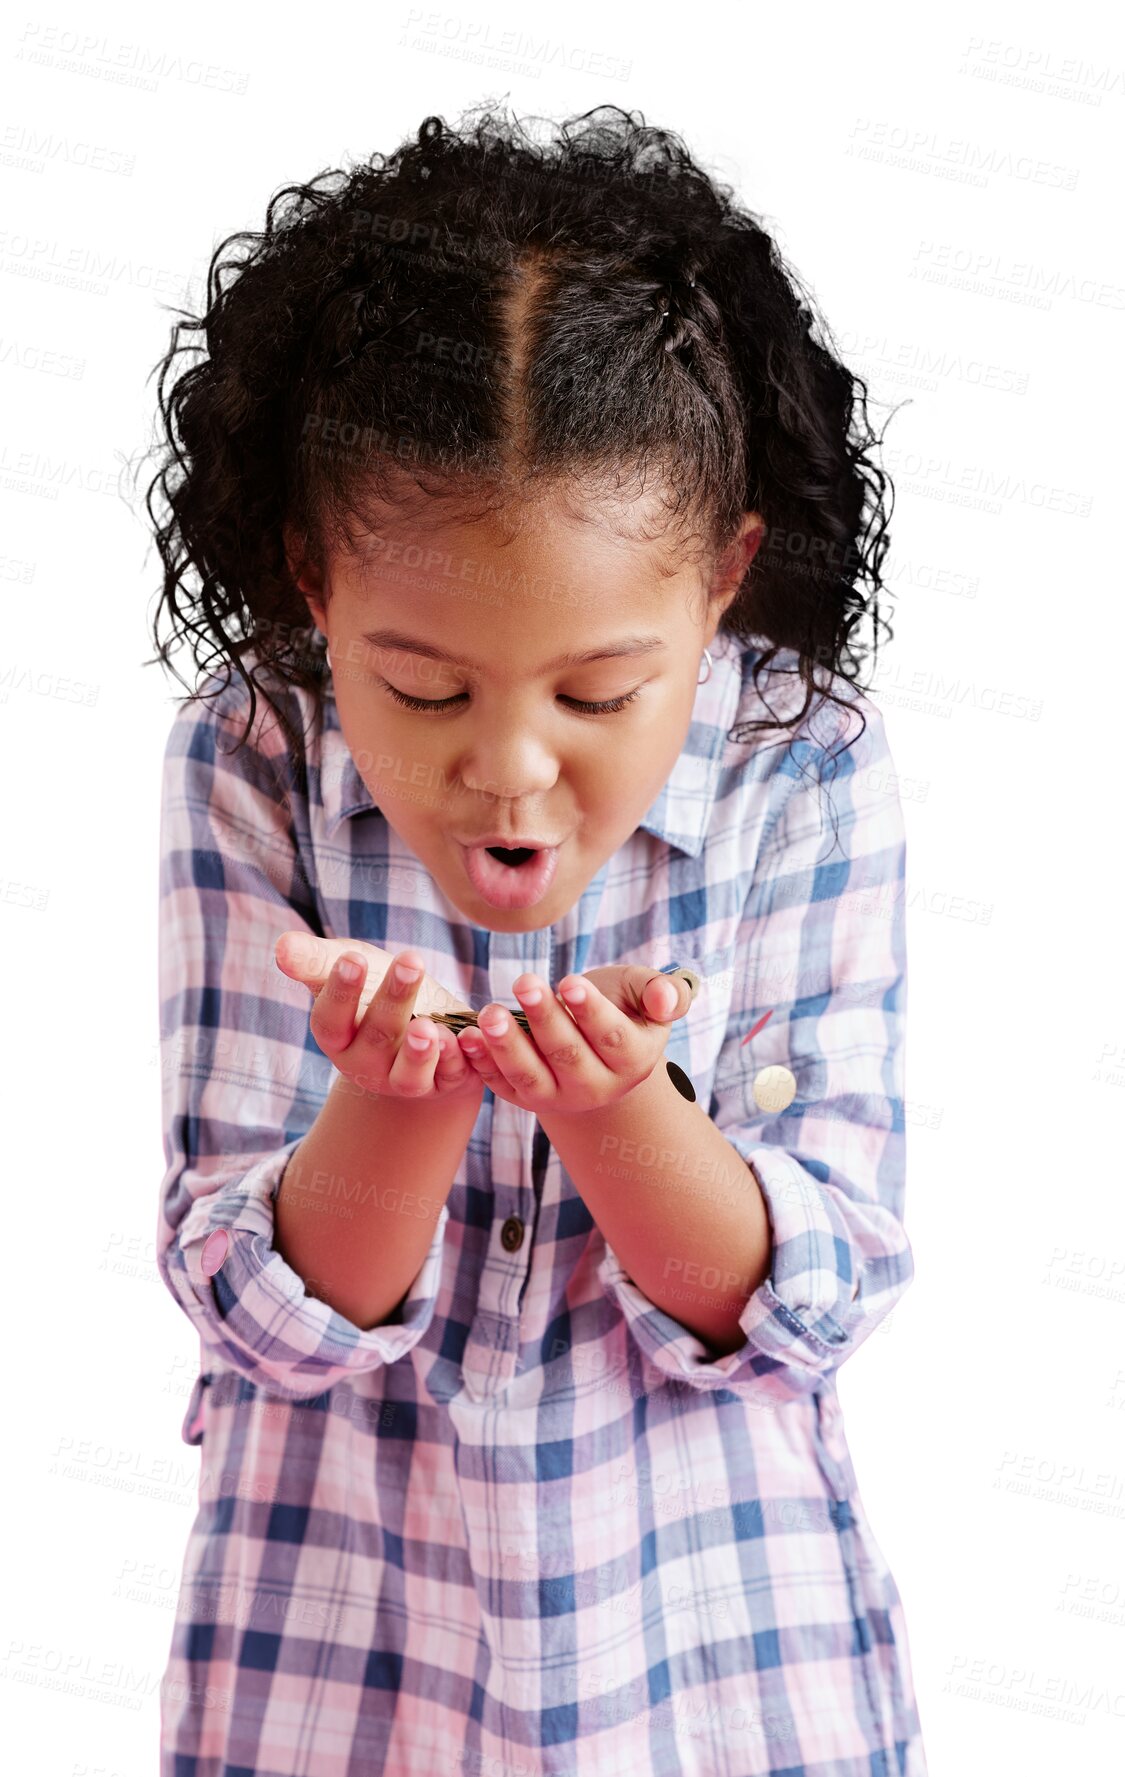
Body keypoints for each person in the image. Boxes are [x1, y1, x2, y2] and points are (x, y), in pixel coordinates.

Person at [146, 103, 926, 1776]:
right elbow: (254, 1307)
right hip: (338, 1652)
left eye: (597, 692)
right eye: (423, 687)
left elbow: (809, 1291)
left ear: (722, 583)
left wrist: (615, 1109)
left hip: (718, 1660)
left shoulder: (807, 767)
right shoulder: (255, 756)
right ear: (311, 580)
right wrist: (400, 1096)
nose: (506, 767)